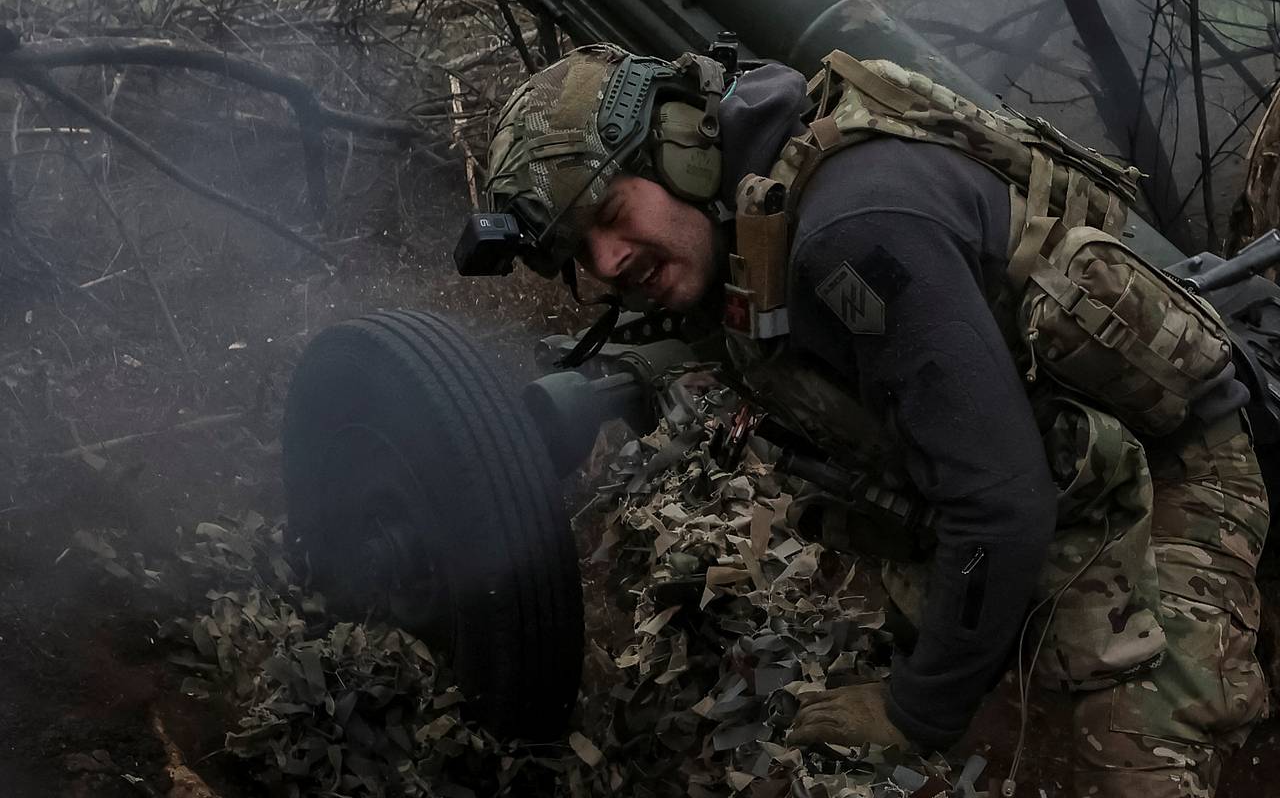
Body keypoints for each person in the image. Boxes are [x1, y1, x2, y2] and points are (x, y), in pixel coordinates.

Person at [478, 42, 1270, 797]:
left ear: (681, 149)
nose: (609, 261)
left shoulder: (850, 231)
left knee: (1127, 765)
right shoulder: (750, 218)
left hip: (1178, 460)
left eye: (612, 212)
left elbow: (999, 502)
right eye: (581, 253)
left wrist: (916, 711)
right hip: (1057, 456)